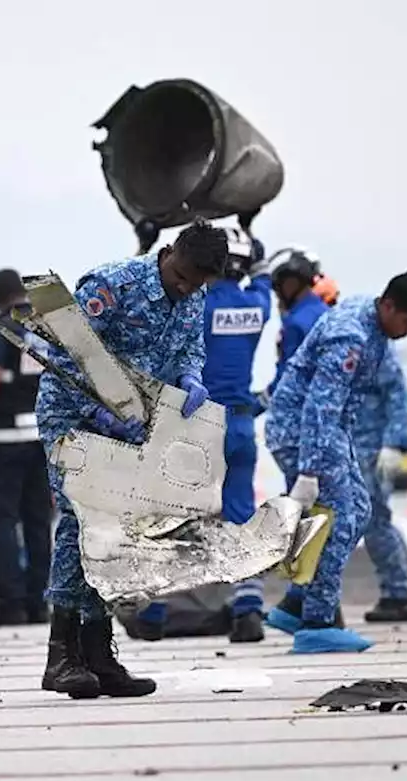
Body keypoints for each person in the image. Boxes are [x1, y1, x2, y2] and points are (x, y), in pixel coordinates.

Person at [37, 219, 228, 699]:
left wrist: (189, 376)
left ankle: (99, 653)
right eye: (181, 277)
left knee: (115, 528)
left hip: (134, 422)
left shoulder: (193, 295)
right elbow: (63, 356)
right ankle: (62, 654)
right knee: (81, 520)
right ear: (169, 253)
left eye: (196, 285)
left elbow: (191, 348)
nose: (185, 290)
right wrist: (100, 411)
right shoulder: (112, 286)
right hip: (71, 416)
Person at [264, 271, 407, 653]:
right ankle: (317, 622)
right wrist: (309, 471)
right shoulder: (351, 337)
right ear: (390, 306)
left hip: (329, 432)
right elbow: (319, 406)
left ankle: (297, 602)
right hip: (305, 433)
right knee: (341, 516)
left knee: (360, 510)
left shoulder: (373, 321)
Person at [134, 218, 275, 643]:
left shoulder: (197, 304)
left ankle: (155, 613)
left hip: (194, 423)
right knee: (239, 518)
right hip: (241, 425)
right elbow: (264, 274)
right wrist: (252, 233)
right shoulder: (257, 307)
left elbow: (156, 294)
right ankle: (248, 607)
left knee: (173, 516)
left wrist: (147, 241)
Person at [0, 269, 53, 627]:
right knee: (38, 520)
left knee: (1, 520)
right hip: (40, 437)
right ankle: (38, 602)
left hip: (3, 440)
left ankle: (11, 603)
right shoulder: (44, 325)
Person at [353, 343, 407, 623]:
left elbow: (396, 392)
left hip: (372, 449)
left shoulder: (374, 347)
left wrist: (394, 443)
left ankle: (397, 595)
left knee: (376, 520)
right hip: (350, 445)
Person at [266, 249, 328, 398]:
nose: (277, 294)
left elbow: (287, 377)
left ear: (291, 282)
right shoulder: (325, 311)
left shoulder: (296, 323)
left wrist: (255, 404)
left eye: (278, 287)